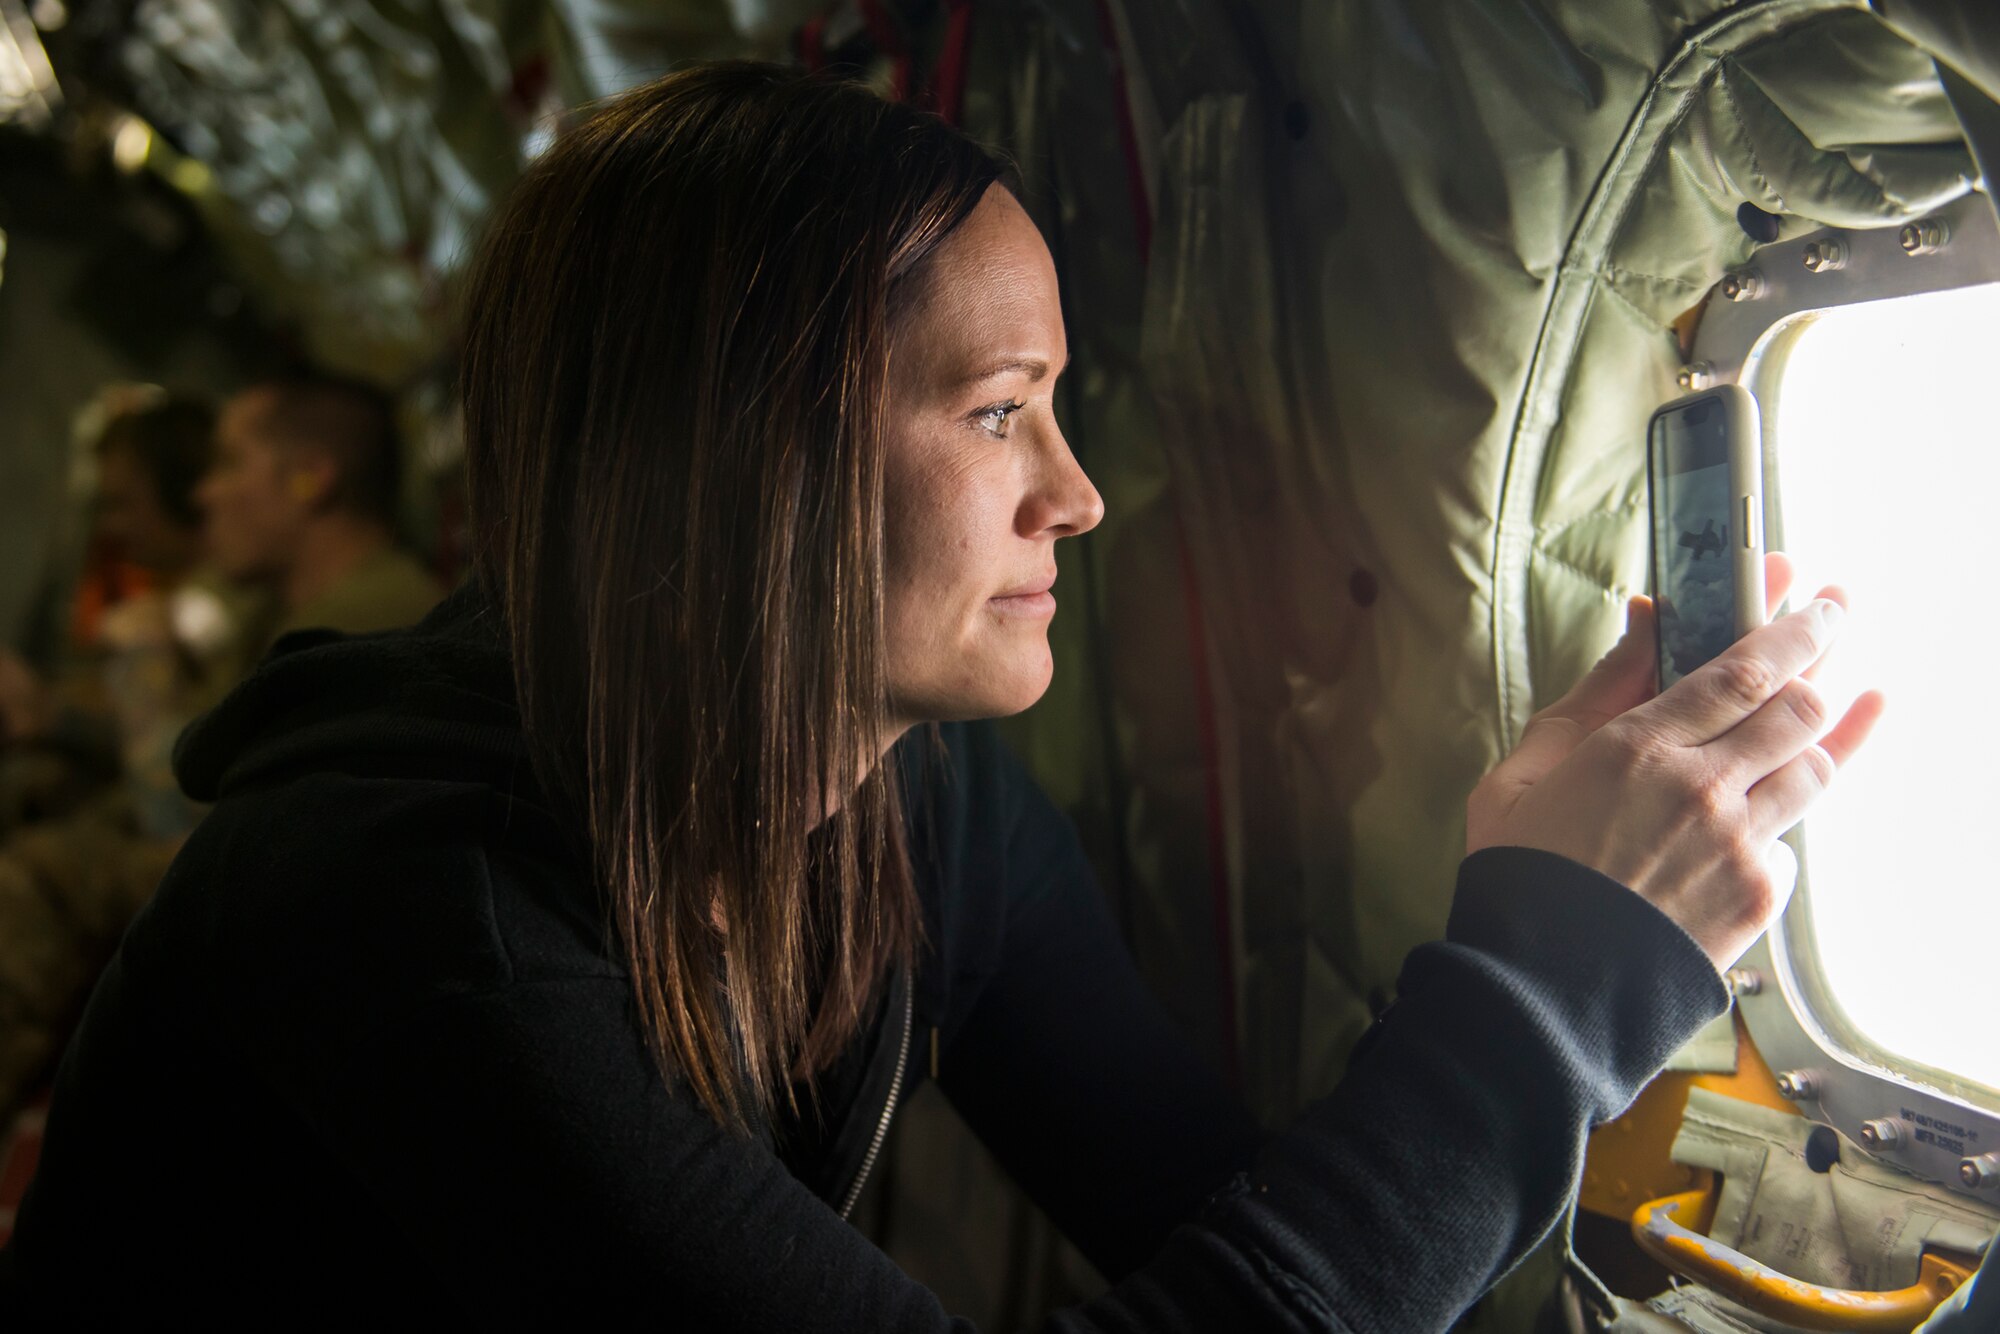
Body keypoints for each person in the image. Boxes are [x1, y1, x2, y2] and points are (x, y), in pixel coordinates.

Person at [0, 63, 1882, 1328]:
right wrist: (1547, 976)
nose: (1075, 491)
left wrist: (1569, 902)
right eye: (999, 411)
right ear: (744, 462)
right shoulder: (405, 910)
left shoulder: (917, 798)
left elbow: (1220, 1219)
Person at [198, 374, 442, 647]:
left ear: (310, 478)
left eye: (231, 462)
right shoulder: (277, 615)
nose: (206, 493)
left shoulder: (360, 627)